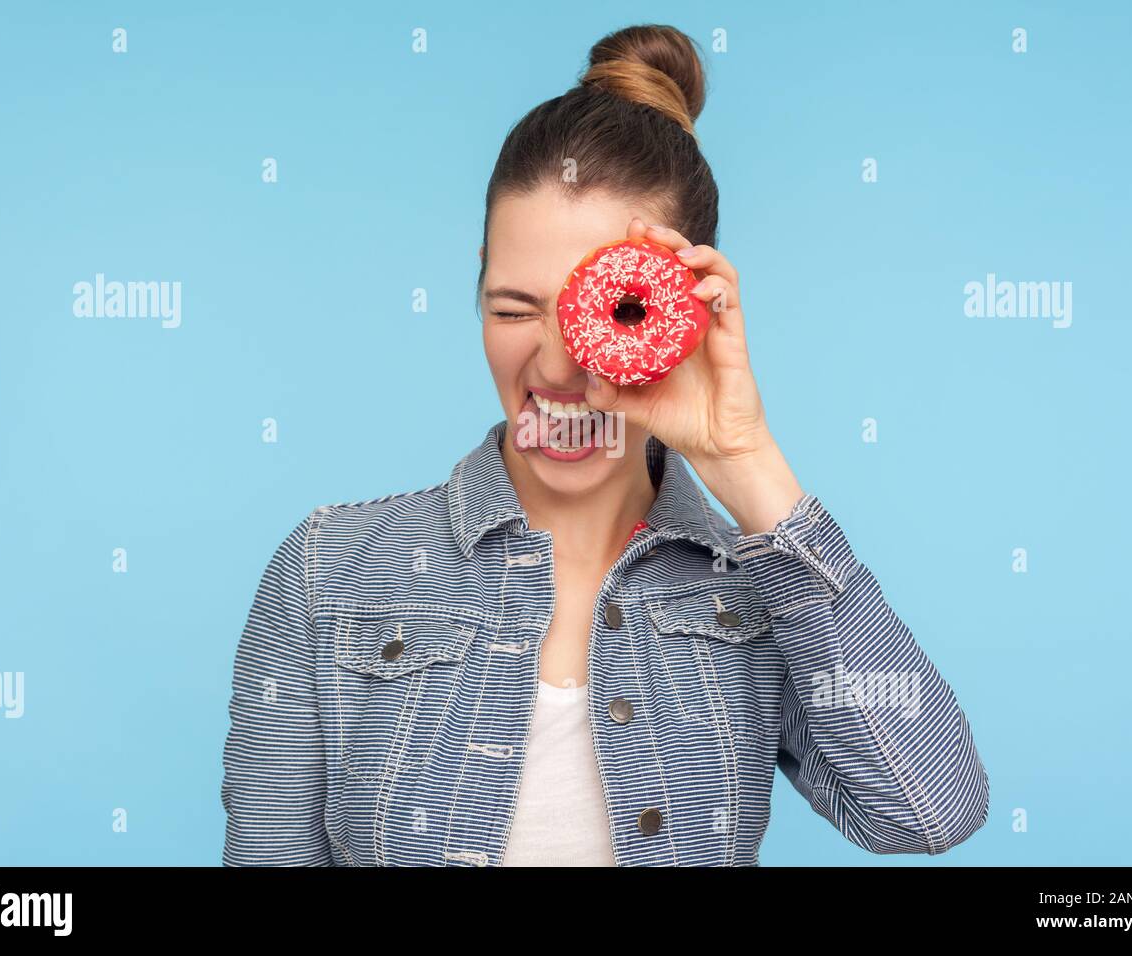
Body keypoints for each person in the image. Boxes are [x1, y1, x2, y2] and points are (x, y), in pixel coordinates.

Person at [221, 23, 989, 866]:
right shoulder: (328, 569)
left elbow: (930, 812)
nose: (554, 367)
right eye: (514, 308)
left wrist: (744, 461)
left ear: (688, 307)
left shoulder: (765, 589)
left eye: (610, 312)